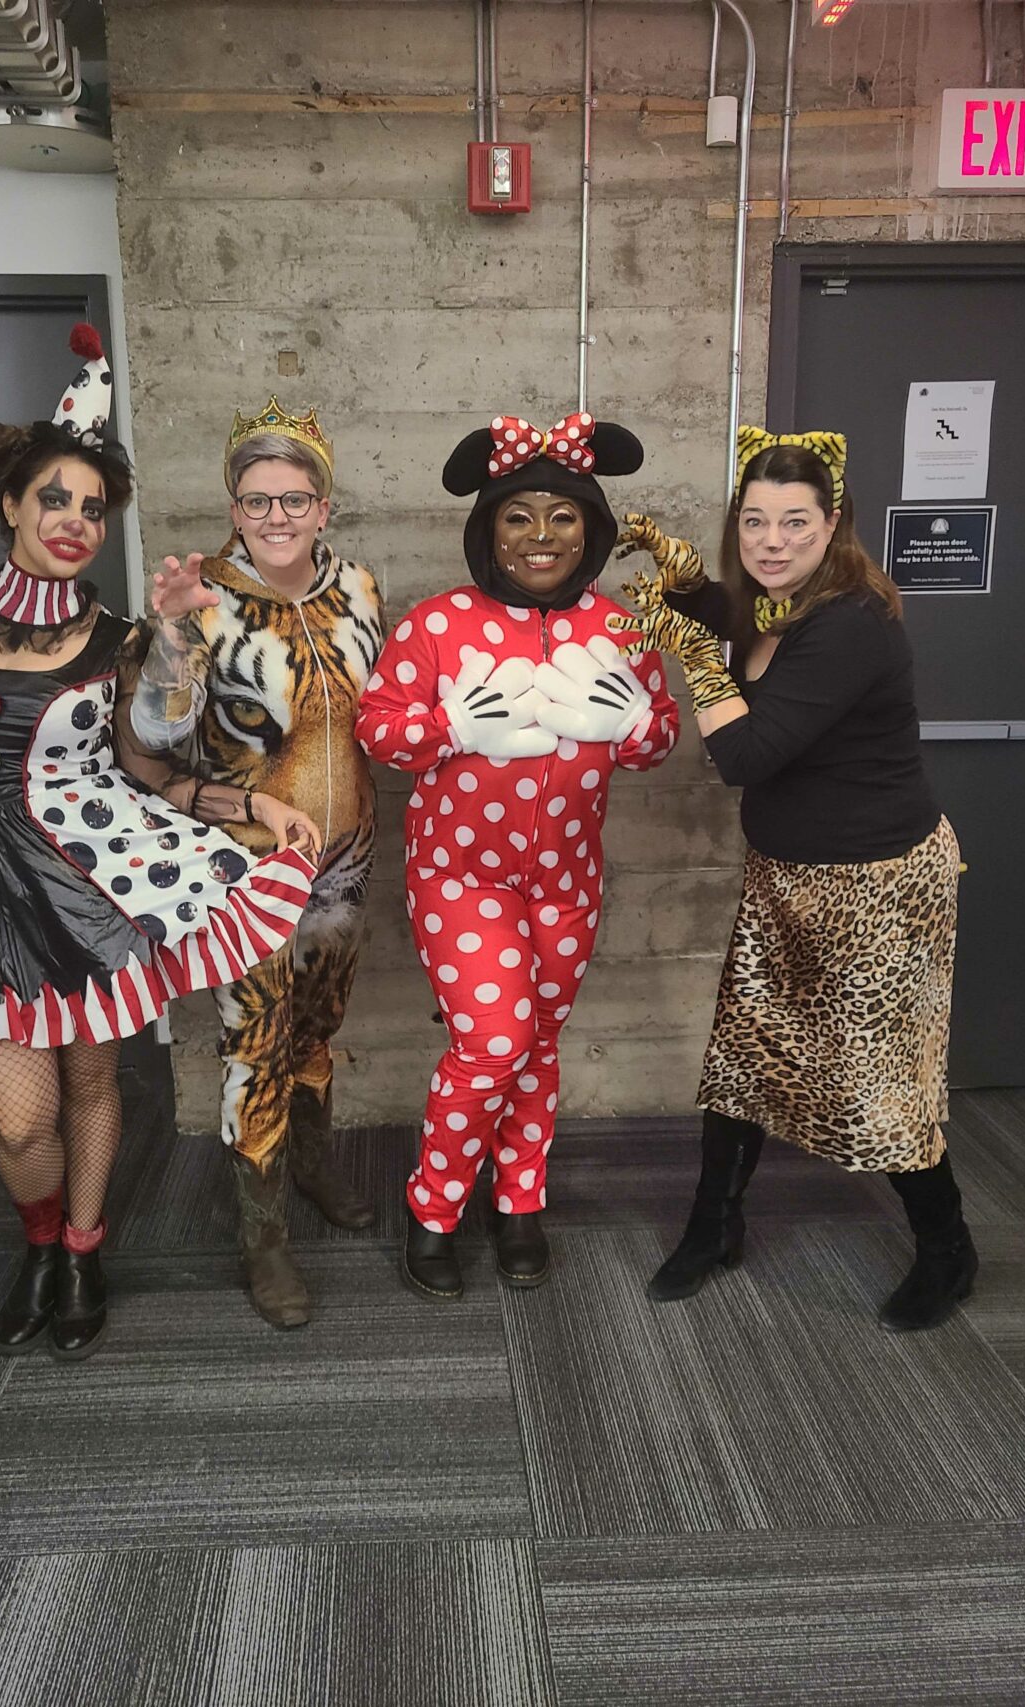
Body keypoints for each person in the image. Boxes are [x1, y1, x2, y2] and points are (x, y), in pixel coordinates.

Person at [0, 327, 319, 1362]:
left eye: (92, 508)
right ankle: (36, 1239)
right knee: (22, 1123)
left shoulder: (118, 642)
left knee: (93, 1082)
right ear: (11, 504)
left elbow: (150, 764)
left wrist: (250, 805)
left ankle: (80, 1250)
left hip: (86, 883)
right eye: (52, 499)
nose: (72, 521)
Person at [615, 426, 976, 1332]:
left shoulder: (851, 624)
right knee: (744, 1055)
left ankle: (948, 1246)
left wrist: (690, 653)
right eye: (755, 522)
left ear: (836, 526)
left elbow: (745, 752)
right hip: (788, 875)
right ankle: (714, 1225)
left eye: (795, 523)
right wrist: (685, 577)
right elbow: (729, 624)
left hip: (878, 889)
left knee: (877, 1082)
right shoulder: (773, 607)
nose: (772, 541)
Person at [356, 411, 678, 1300]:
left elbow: (659, 739)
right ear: (488, 527)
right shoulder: (437, 623)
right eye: (519, 515)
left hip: (569, 879)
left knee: (537, 1045)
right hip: (461, 877)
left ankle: (520, 1201)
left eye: (562, 515)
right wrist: (447, 727)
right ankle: (435, 1206)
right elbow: (378, 730)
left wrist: (636, 724)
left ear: (592, 528)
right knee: (493, 1042)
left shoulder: (620, 623)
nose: (541, 536)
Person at [129, 399, 384, 1329]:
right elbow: (153, 740)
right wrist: (169, 636)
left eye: (295, 498)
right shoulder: (201, 595)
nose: (276, 517)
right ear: (233, 508)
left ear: (326, 504)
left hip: (348, 858)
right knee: (254, 1045)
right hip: (246, 870)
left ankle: (312, 1170)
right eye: (256, 501)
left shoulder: (360, 587)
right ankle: (262, 1239)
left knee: (318, 1024)